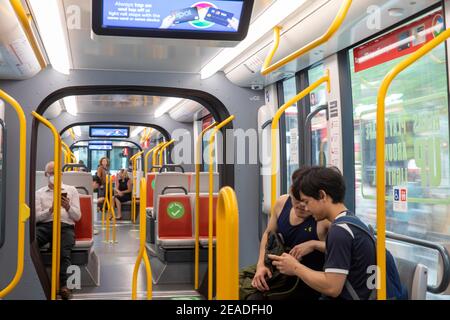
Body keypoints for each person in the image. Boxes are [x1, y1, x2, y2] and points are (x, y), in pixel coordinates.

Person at [269, 166, 376, 300]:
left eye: (307, 202)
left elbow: (332, 287)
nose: (306, 208)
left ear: (322, 195)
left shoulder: (339, 232)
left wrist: (295, 267)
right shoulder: (350, 222)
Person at [247, 168, 329, 300]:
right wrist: (261, 265)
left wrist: (314, 244)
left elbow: (343, 246)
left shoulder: (323, 219)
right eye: (296, 201)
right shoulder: (281, 204)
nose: (302, 206)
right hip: (280, 275)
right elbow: (268, 234)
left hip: (307, 281)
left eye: (306, 202)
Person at [35, 161, 81, 300]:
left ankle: (65, 286)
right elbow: (36, 218)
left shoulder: (71, 190)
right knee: (30, 242)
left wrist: (67, 207)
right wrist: (50, 210)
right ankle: (36, 279)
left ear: (61, 174)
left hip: (65, 226)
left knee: (63, 251)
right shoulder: (39, 193)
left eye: (56, 173)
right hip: (45, 226)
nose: (54, 176)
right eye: (51, 173)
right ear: (45, 175)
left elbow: (77, 217)